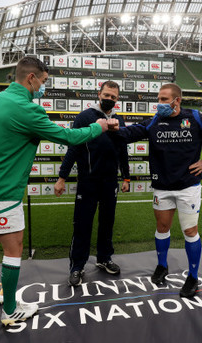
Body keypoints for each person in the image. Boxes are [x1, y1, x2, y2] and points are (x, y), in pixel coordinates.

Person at [0, 56, 116, 326]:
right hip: (3, 190)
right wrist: (100, 126)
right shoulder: (27, 110)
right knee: (14, 248)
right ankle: (11, 310)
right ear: (31, 78)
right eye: (44, 82)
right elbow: (69, 138)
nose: (43, 88)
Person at [111, 83, 202, 299]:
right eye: (159, 99)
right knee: (162, 227)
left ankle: (192, 277)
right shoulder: (156, 120)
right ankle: (162, 266)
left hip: (187, 187)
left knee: (190, 232)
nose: (160, 103)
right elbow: (129, 133)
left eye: (164, 99)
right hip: (162, 187)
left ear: (177, 100)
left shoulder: (195, 118)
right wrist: (112, 127)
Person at [54, 81, 131, 287]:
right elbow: (73, 148)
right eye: (107, 95)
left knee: (107, 223)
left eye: (113, 97)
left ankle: (104, 258)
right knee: (82, 225)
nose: (109, 99)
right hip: (88, 181)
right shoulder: (84, 117)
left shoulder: (119, 119)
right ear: (99, 94)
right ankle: (77, 266)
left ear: (117, 99)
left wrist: (126, 176)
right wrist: (62, 177)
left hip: (110, 183)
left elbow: (122, 150)